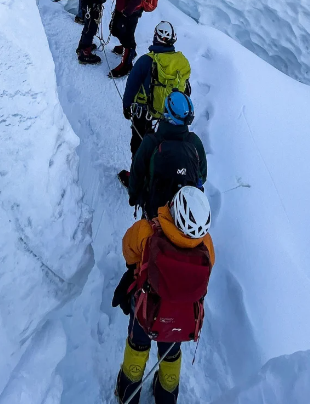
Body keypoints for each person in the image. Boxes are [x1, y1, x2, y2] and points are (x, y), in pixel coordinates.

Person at [112, 187, 215, 404]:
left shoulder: (146, 231)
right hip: (182, 317)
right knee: (171, 352)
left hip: (145, 308)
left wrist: (137, 267)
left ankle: (128, 392)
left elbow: (128, 250)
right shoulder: (206, 245)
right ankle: (166, 395)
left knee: (137, 346)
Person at [117, 22, 191, 187]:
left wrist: (127, 106)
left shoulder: (145, 61)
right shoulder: (181, 62)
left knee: (139, 146)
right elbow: (186, 90)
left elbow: (131, 86)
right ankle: (157, 178)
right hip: (169, 117)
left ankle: (136, 180)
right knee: (161, 148)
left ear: (156, 37)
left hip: (144, 114)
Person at [128, 90, 207, 217]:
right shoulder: (194, 143)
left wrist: (134, 197)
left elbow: (137, 174)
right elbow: (202, 176)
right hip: (185, 214)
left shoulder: (151, 142)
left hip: (154, 211)